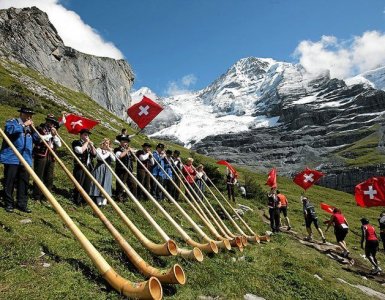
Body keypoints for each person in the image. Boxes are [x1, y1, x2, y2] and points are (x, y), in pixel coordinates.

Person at [0, 107, 39, 213]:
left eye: (30, 115)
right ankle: (8, 203)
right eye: (27, 114)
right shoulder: (12, 122)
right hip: (12, 157)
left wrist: (34, 130)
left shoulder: (30, 126)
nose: (29, 117)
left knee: (24, 182)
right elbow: (10, 131)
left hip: (26, 158)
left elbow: (37, 140)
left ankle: (22, 204)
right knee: (10, 181)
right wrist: (23, 125)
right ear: (21, 114)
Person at [32, 114, 61, 200]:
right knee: (39, 175)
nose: (51, 124)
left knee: (49, 176)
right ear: (46, 121)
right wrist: (50, 135)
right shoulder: (39, 128)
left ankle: (46, 196)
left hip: (51, 155)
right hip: (41, 154)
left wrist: (55, 135)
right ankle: (36, 195)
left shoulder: (54, 131)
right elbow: (38, 139)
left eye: (53, 123)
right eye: (50, 122)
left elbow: (59, 144)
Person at [72, 128, 97, 205]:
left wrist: (92, 146)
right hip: (80, 166)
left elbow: (94, 154)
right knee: (79, 183)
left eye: (88, 135)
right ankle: (77, 200)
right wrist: (86, 143)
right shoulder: (76, 142)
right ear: (81, 135)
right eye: (85, 135)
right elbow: (80, 151)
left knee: (87, 184)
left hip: (88, 166)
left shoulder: (88, 144)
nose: (87, 136)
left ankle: (84, 201)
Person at [89, 138, 115, 206]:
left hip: (107, 169)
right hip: (100, 167)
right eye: (106, 143)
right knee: (99, 182)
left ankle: (104, 201)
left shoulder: (110, 151)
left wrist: (110, 152)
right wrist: (109, 152)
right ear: (102, 143)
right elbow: (101, 158)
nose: (107, 145)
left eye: (108, 143)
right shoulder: (99, 149)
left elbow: (114, 159)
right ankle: (98, 201)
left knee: (106, 183)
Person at [114, 135, 136, 201]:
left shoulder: (128, 150)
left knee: (132, 184)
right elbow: (120, 156)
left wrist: (132, 153)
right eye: (124, 142)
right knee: (120, 185)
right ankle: (118, 198)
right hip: (121, 170)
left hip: (129, 170)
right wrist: (127, 150)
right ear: (120, 142)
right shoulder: (117, 149)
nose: (126, 143)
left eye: (127, 142)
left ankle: (131, 198)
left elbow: (134, 160)